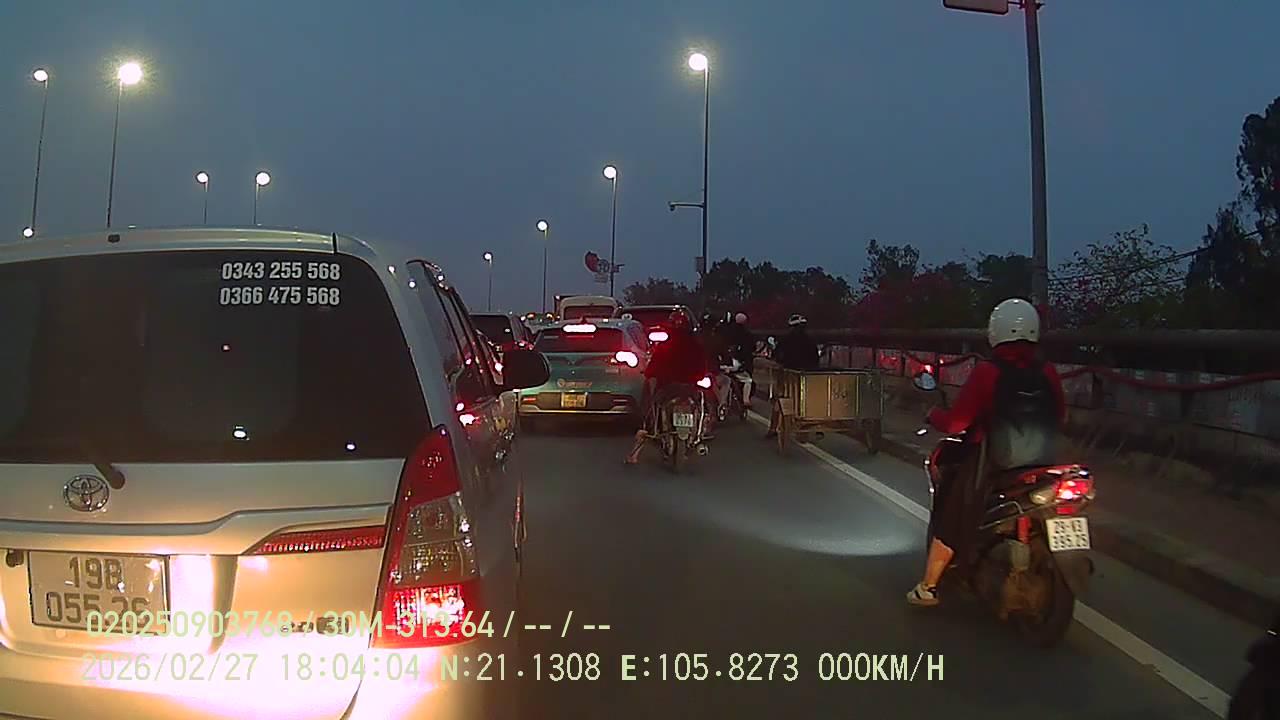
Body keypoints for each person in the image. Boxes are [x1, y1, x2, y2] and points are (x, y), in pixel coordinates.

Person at [906, 298, 1067, 607]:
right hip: (1043, 462)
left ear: (996, 331)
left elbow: (957, 423)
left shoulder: (988, 372)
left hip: (994, 462)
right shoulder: (1047, 370)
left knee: (953, 516)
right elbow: (1060, 415)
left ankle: (929, 586)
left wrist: (933, 415)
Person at [625, 311, 709, 464]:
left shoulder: (664, 347)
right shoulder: (696, 346)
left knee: (651, 408)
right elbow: (703, 369)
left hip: (668, 388)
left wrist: (652, 376)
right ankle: (699, 435)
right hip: (690, 388)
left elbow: (651, 370)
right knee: (703, 404)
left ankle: (642, 440)